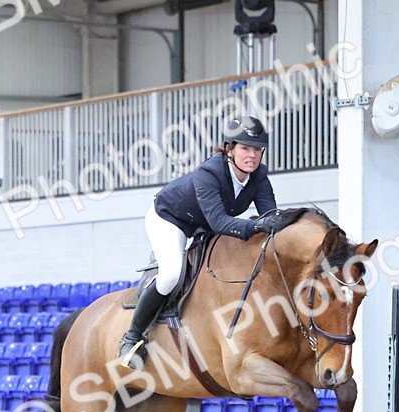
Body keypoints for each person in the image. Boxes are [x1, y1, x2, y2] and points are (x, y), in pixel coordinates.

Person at [118, 114, 282, 370]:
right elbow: (220, 222)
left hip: (202, 224)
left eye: (258, 150)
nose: (252, 155)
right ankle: (132, 337)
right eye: (245, 148)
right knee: (171, 275)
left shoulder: (259, 176)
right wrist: (256, 226)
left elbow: (270, 215)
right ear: (229, 149)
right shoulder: (210, 173)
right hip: (170, 218)